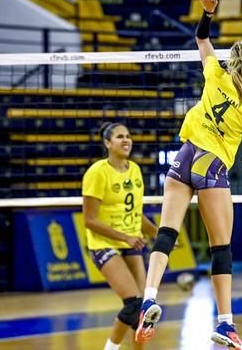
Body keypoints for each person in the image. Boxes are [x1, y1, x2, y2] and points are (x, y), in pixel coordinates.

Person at [134, 0, 242, 350]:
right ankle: (225, 324)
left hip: (184, 156)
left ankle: (149, 296)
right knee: (220, 248)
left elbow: (201, 39)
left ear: (231, 61)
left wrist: (208, 12)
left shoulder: (214, 74)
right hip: (212, 168)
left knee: (166, 232)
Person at [82, 122, 159, 350]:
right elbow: (89, 220)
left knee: (143, 310)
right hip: (104, 244)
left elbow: (136, 212)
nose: (126, 140)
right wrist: (124, 237)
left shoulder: (134, 170)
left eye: (128, 136)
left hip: (131, 241)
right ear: (107, 143)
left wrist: (158, 234)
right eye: (119, 137)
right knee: (133, 304)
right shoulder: (97, 173)